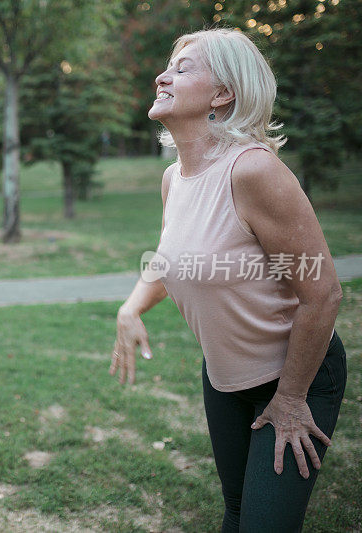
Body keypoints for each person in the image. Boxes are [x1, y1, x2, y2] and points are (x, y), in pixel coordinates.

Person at [110, 29, 346, 532]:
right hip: (223, 378)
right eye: (168, 65)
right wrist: (131, 307)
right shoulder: (175, 178)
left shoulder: (253, 171)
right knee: (236, 513)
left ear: (223, 94)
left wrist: (290, 398)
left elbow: (321, 292)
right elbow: (174, 259)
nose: (162, 76)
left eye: (183, 67)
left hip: (294, 378)